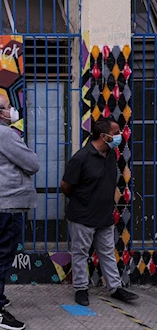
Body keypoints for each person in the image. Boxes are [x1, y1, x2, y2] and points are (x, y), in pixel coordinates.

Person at [0, 94, 39, 330]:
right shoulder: (4, 134)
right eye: (9, 106)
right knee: (2, 256)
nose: (13, 109)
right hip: (7, 206)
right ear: (1, 113)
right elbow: (32, 164)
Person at [61, 117, 139, 306]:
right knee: (80, 253)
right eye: (116, 133)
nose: (120, 136)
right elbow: (66, 186)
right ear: (104, 136)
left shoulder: (111, 155)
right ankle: (81, 289)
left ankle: (115, 287)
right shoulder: (81, 158)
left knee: (107, 252)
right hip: (82, 216)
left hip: (105, 215)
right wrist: (83, 200)